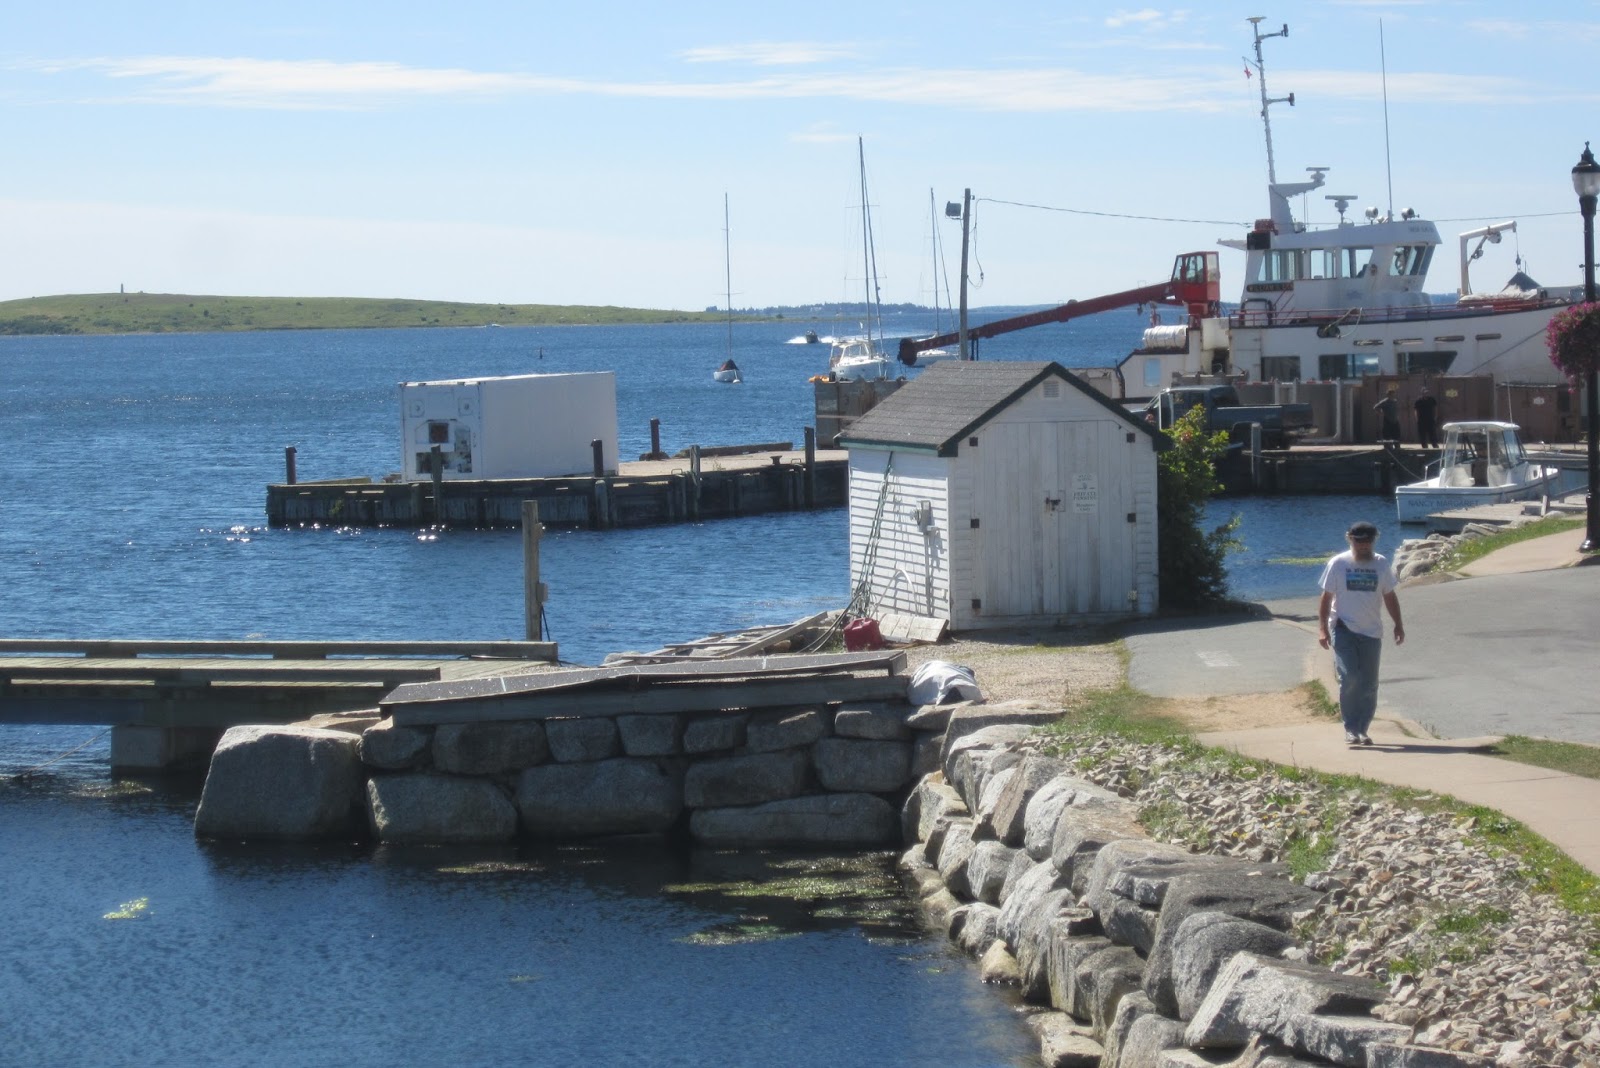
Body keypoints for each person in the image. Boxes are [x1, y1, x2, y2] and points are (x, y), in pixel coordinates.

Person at [1317, 521, 1404, 746]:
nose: (1363, 546)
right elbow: (1326, 597)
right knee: (1349, 677)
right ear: (1350, 539)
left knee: (1369, 683)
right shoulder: (1338, 563)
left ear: (1374, 541)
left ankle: (1363, 729)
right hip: (1343, 628)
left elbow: (1389, 596)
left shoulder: (1381, 564)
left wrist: (1398, 624)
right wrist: (1322, 629)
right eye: (1359, 541)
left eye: (1367, 541)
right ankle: (1350, 728)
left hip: (1372, 632)